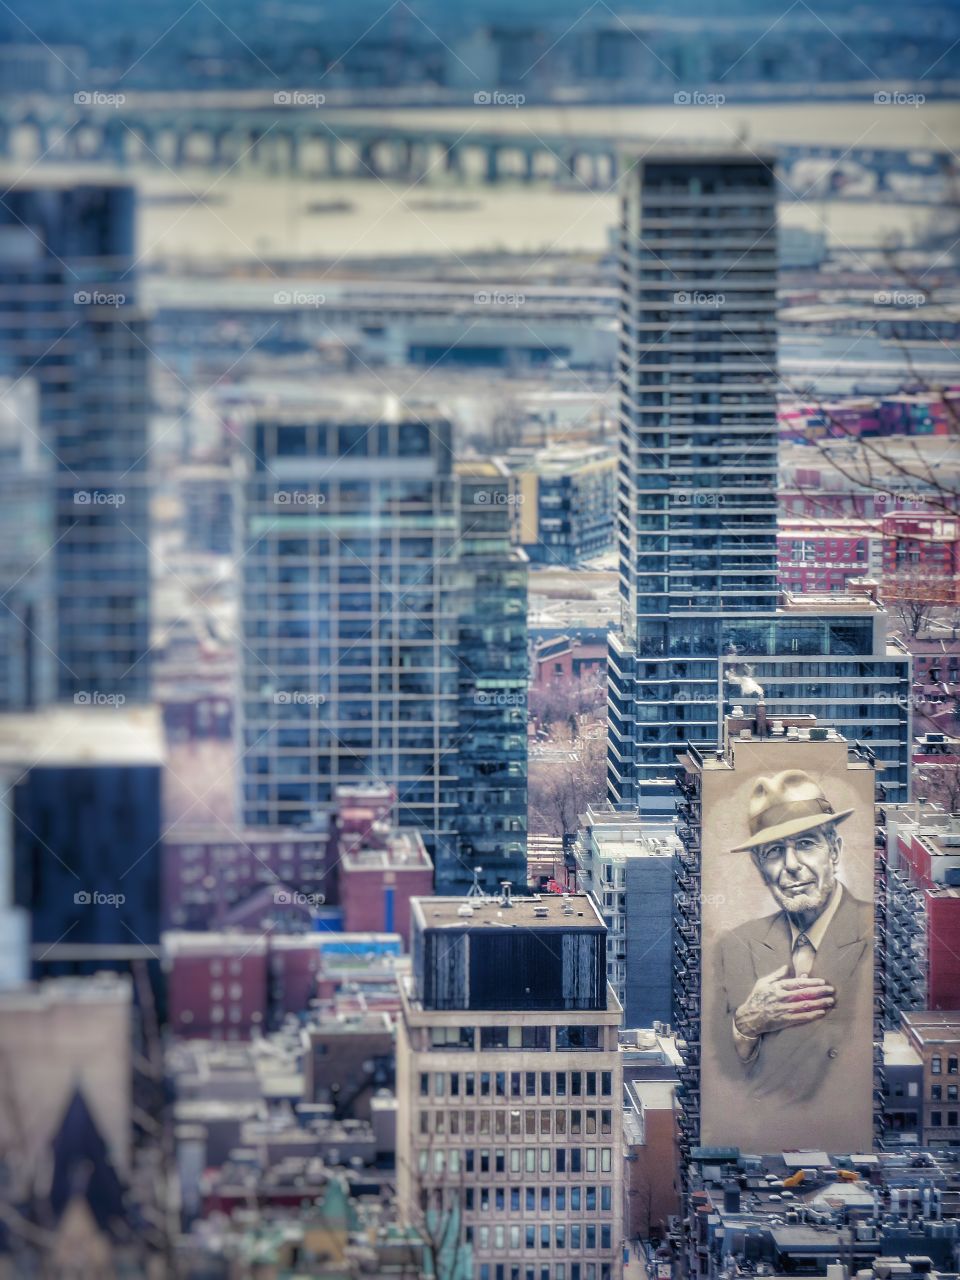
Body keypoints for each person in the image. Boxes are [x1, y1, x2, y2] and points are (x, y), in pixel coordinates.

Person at [712, 769, 873, 1102]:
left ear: (835, 851)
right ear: (759, 867)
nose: (791, 865)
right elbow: (722, 1075)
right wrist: (745, 1026)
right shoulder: (734, 946)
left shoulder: (875, 932)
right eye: (773, 852)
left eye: (805, 844)